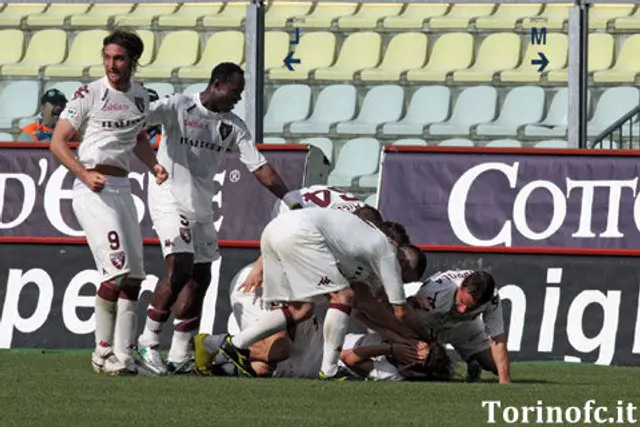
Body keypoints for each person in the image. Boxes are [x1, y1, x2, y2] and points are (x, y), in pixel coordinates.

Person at [135, 62, 301, 376]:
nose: (238, 98)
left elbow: (259, 166)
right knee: (180, 268)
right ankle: (148, 342)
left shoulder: (232, 125)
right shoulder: (179, 105)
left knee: (201, 278)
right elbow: (137, 119)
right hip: (168, 196)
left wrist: (288, 197)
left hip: (201, 205)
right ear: (216, 84)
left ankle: (181, 351)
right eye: (235, 91)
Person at [50, 29, 168, 375]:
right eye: (107, 57)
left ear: (133, 61)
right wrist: (84, 175)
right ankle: (102, 352)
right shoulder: (90, 93)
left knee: (133, 277)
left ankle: (124, 355)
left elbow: (137, 137)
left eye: (118, 58)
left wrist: (154, 164)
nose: (111, 65)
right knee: (116, 272)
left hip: (123, 190)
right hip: (93, 191)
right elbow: (58, 142)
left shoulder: (141, 97)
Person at [216, 207, 427, 379]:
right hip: (299, 234)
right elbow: (401, 312)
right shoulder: (386, 252)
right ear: (403, 260)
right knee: (342, 297)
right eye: (402, 278)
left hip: (274, 230)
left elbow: (365, 301)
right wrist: (424, 336)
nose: (397, 283)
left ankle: (234, 345)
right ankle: (330, 371)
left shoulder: (362, 243)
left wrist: (399, 336)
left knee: (301, 310)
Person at [407, 269, 511, 384]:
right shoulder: (435, 293)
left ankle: (474, 362)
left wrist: (505, 382)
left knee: (497, 365)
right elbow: (407, 321)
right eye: (461, 301)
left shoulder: (492, 298)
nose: (462, 310)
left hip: (463, 326)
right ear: (460, 287)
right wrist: (429, 346)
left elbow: (497, 339)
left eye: (471, 308)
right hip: (428, 327)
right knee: (428, 369)